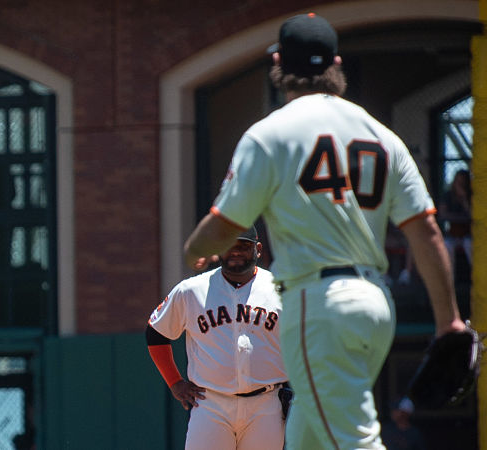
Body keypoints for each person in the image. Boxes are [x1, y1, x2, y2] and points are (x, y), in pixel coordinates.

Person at [183, 13, 466, 450]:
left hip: (318, 305)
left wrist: (194, 250)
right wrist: (449, 321)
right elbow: (426, 231)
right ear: (335, 63)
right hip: (375, 304)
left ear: (278, 63)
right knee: (306, 438)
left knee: (355, 442)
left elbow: (224, 227)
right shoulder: (381, 134)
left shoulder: (270, 134)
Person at [148, 226, 289, 449]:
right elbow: (156, 332)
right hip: (211, 404)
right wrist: (175, 383)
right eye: (229, 245)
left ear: (258, 249)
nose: (236, 251)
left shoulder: (281, 289)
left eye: (243, 246)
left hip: (266, 405)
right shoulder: (191, 290)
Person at [438, 169, 472, 275]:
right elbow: (443, 214)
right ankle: (450, 279)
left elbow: (472, 215)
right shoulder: (448, 195)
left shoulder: (471, 196)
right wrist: (460, 218)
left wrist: (464, 199)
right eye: (458, 181)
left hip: (468, 234)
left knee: (470, 245)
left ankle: (478, 278)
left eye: (463, 182)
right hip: (452, 233)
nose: (460, 184)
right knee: (447, 245)